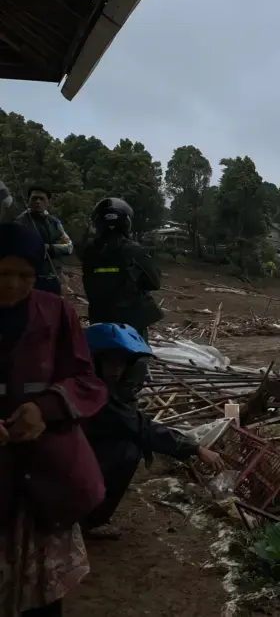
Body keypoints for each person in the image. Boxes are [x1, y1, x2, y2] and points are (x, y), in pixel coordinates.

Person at [0, 218, 108, 617]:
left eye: (24, 275)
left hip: (44, 476)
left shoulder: (56, 313)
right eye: (3, 273)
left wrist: (44, 408)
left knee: (44, 596)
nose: (12, 284)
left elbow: (85, 379)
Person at [82, 323, 223, 540]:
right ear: (94, 359)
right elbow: (141, 427)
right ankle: (90, 520)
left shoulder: (93, 385)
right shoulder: (93, 391)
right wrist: (195, 447)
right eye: (111, 362)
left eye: (122, 363)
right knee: (128, 450)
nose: (117, 370)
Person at [80, 198, 163, 340]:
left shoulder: (88, 252)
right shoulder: (135, 250)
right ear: (126, 222)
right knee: (138, 356)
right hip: (131, 322)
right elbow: (154, 282)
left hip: (99, 317)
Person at [13, 186, 72, 296]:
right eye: (34, 198)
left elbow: (68, 247)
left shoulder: (54, 222)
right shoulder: (19, 223)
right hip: (28, 279)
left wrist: (48, 248)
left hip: (52, 277)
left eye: (41, 199)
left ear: (48, 202)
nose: (38, 202)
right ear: (28, 201)